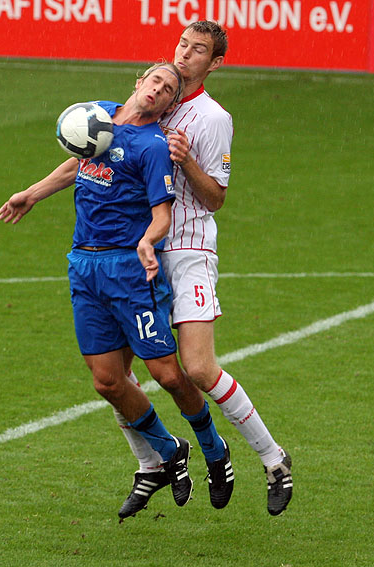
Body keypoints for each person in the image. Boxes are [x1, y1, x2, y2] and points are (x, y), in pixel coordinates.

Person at [0, 62, 235, 514]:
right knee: (107, 381)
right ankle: (169, 451)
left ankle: (213, 447)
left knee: (168, 375)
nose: (159, 90)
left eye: (169, 90)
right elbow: (78, 163)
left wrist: (148, 241)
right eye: (155, 81)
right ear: (139, 82)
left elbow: (162, 214)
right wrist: (32, 193)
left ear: (169, 104)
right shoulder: (99, 116)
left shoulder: (153, 146)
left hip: (129, 271)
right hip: (84, 265)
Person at [117, 22, 293, 519]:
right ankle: (151, 462)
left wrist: (187, 160)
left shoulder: (213, 118)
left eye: (198, 51)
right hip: (141, 251)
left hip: (189, 250)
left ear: (214, 63)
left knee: (198, 368)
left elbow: (215, 197)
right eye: (182, 45)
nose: (185, 55)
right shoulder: (156, 96)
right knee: (114, 374)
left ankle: (273, 459)